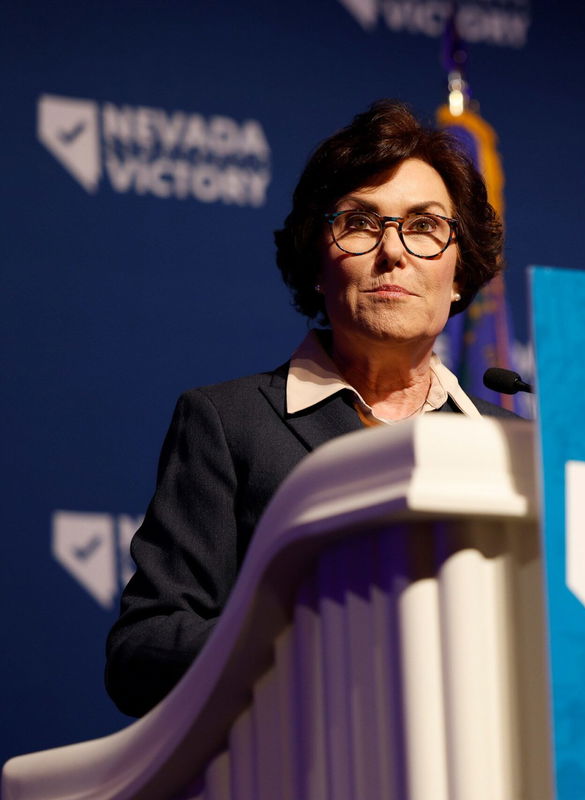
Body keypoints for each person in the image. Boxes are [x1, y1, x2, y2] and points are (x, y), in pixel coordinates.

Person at [105, 100, 519, 717]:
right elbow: (142, 653)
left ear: (460, 273)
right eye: (360, 223)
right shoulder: (230, 423)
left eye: (426, 226)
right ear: (316, 261)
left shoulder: (513, 448)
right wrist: (297, 640)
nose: (394, 252)